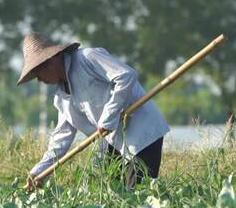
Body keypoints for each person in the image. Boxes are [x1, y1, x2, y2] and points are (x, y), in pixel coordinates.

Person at [17, 32, 169, 191]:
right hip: (114, 143)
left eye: (38, 72)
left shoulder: (87, 58)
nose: (39, 80)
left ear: (51, 60)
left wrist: (109, 117)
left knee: (137, 193)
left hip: (141, 132)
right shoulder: (62, 98)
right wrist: (39, 171)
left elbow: (126, 75)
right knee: (112, 194)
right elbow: (61, 137)